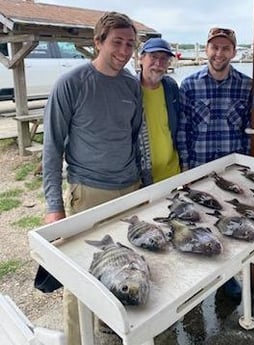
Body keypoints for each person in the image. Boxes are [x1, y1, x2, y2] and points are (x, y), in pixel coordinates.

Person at [42, 11, 142, 345]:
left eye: (130, 43)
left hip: (130, 190)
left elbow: (133, 138)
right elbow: (52, 147)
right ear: (97, 42)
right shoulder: (70, 84)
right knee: (80, 276)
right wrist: (54, 206)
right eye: (117, 42)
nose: (124, 50)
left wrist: (145, 186)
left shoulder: (132, 84)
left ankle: (112, 329)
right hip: (88, 192)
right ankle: (75, 339)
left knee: (127, 267)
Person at [177, 27, 253, 299]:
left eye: (225, 48)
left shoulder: (246, 85)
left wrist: (247, 169)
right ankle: (197, 276)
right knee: (199, 221)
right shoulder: (189, 84)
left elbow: (249, 128)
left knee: (231, 221)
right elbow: (183, 128)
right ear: (207, 49)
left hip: (231, 171)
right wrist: (185, 166)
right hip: (200, 168)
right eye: (214, 47)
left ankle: (228, 277)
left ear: (234, 51)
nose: (219, 53)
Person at [138, 37, 181, 185]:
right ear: (141, 59)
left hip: (173, 172)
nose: (158, 63)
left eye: (164, 59)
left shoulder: (171, 87)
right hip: (142, 178)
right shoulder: (129, 90)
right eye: (153, 57)